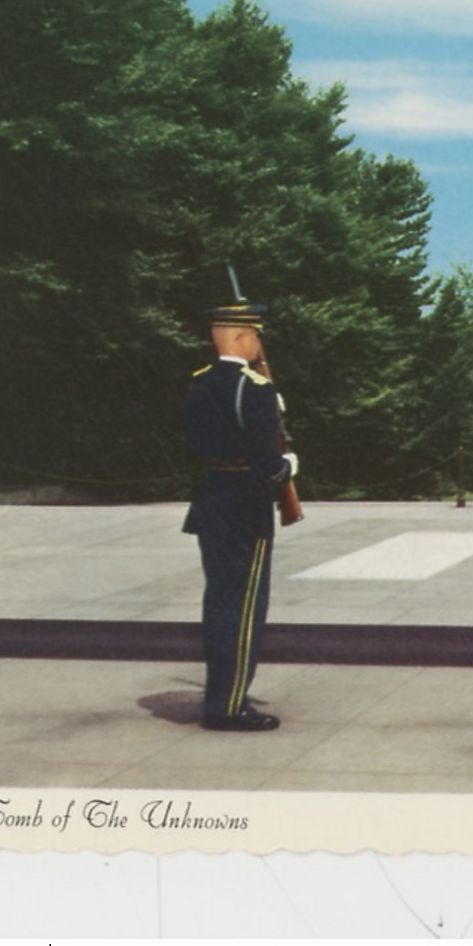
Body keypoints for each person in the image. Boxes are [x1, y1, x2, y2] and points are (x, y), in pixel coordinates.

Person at [182, 300, 298, 731]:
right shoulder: (256, 388)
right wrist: (288, 466)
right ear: (240, 337)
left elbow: (196, 443)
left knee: (218, 602)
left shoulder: (198, 383)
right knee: (245, 607)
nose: (257, 343)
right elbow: (266, 460)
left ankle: (221, 695)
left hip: (210, 503)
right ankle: (228, 706)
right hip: (246, 510)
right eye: (254, 335)